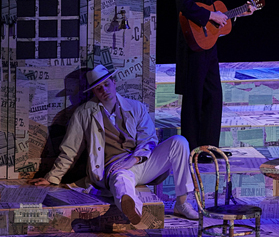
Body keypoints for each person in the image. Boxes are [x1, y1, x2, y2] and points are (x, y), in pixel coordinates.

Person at [29, 65, 199, 224]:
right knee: (121, 181)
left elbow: (149, 139)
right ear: (94, 91)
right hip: (113, 169)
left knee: (179, 141)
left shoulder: (136, 107)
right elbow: (70, 150)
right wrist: (52, 178)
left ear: (114, 83)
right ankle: (133, 211)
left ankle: (182, 203)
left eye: (106, 84)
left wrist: (133, 160)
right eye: (98, 88)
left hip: (141, 163)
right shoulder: (83, 113)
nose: (104, 90)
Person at [174, 0, 254, 160]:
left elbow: (215, 12)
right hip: (193, 46)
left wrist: (238, 14)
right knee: (194, 98)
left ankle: (209, 148)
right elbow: (186, 6)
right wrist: (211, 16)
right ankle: (192, 150)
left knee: (213, 95)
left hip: (208, 45)